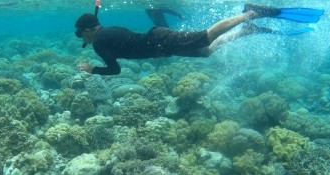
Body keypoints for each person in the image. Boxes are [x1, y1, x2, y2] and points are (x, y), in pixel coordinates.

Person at [75, 3, 324, 76]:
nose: (83, 38)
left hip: (162, 43)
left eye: (81, 34)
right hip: (161, 44)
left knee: (206, 36)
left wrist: (92, 69)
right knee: (207, 51)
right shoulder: (108, 29)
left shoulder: (98, 42)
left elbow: (115, 70)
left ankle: (249, 13)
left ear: (87, 31)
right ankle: (246, 30)